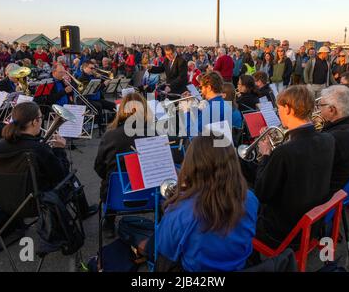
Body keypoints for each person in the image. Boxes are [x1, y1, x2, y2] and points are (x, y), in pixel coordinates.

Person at [151, 135, 259, 272]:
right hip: (239, 266)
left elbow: (165, 248)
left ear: (192, 164)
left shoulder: (181, 211)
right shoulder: (250, 199)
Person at [253, 86, 335, 248]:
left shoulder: (285, 152)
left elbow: (261, 193)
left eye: (279, 109)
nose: (278, 113)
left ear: (288, 109)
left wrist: (266, 155)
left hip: (282, 232)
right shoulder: (328, 139)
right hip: (312, 224)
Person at [94, 93, 152, 237]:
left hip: (116, 194)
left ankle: (109, 222)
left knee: (109, 180)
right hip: (149, 192)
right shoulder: (155, 132)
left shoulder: (110, 135)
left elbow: (99, 167)